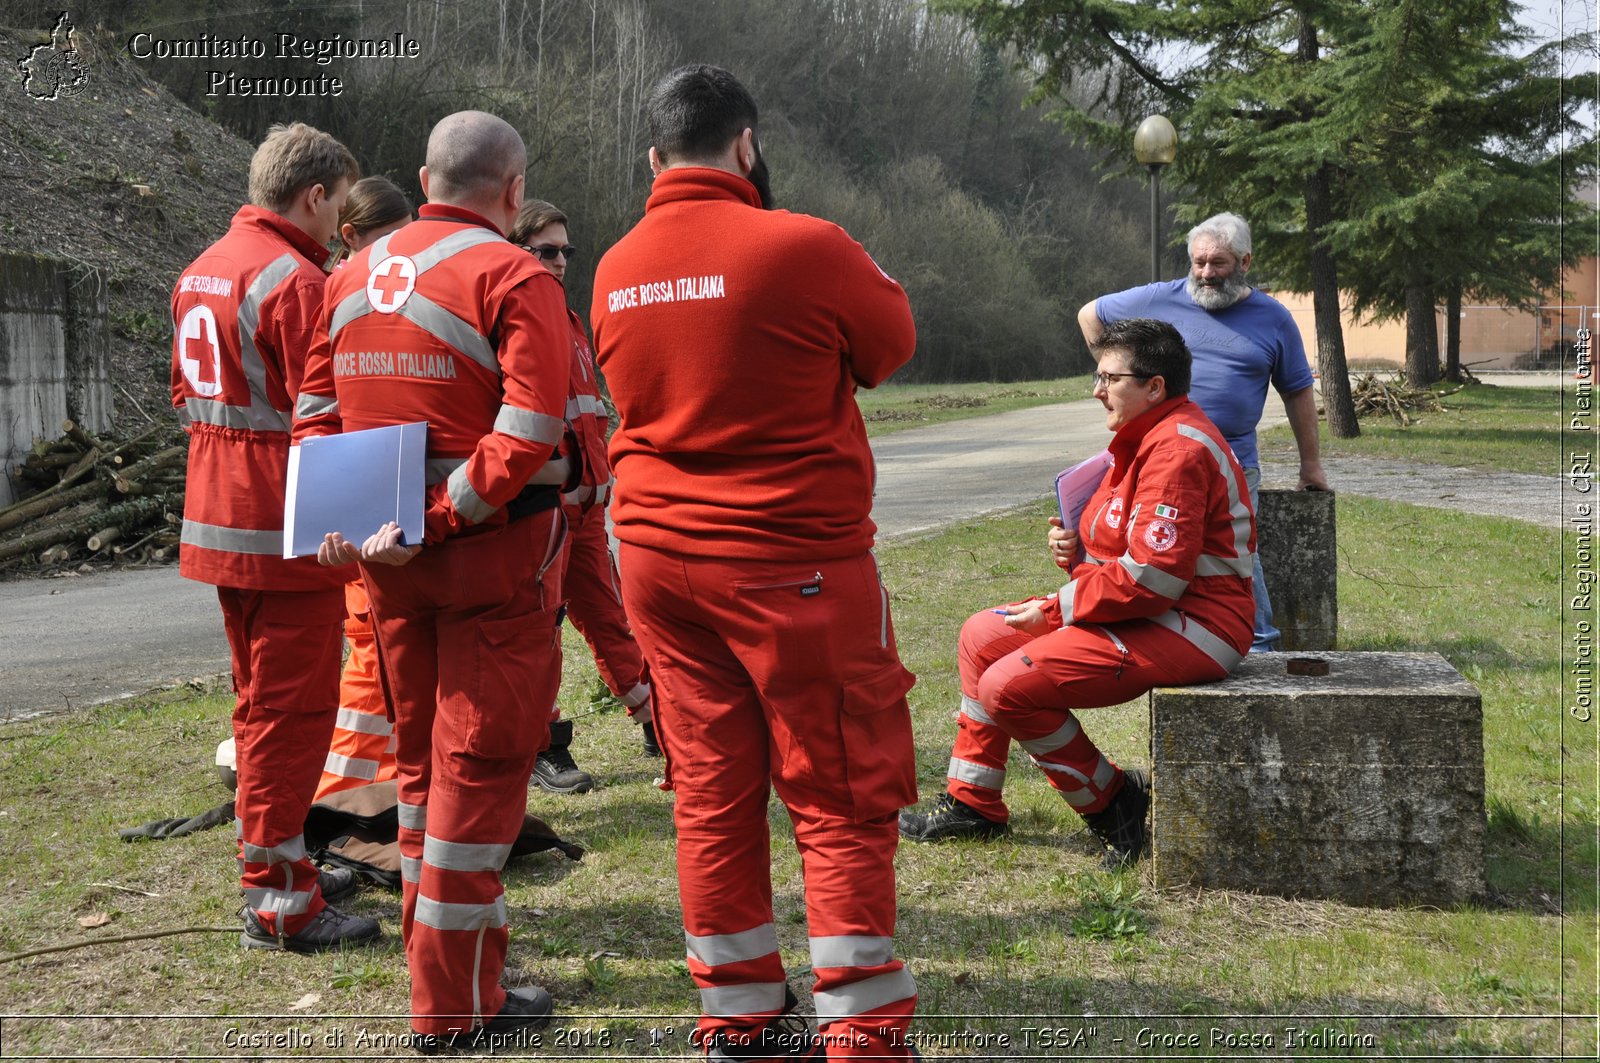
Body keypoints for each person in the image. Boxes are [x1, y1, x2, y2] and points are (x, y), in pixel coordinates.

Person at [590, 65, 921, 1061]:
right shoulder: (807, 245)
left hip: (654, 558)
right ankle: (860, 1028)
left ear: (653, 158)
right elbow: (891, 345)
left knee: (709, 786)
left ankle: (738, 1010)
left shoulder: (609, 266)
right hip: (789, 562)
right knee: (840, 790)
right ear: (748, 146)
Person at [294, 111, 571, 1055]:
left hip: (387, 568)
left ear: (423, 175)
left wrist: (345, 528)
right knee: (481, 776)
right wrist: (442, 517)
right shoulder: (516, 275)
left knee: (420, 773)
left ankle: (459, 971)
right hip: (492, 565)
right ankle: (454, 1010)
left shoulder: (344, 278)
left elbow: (315, 415)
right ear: (515, 189)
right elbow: (534, 432)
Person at [899, 319, 1256, 865]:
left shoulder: (1176, 450)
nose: (1096, 390)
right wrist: (1075, 551)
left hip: (1200, 625)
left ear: (1154, 386)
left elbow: (1153, 577)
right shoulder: (1140, 439)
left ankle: (1116, 803)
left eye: (1110, 379)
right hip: (1153, 608)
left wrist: (1055, 609)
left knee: (1009, 686)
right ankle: (974, 802)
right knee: (980, 635)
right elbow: (1119, 544)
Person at [170, 121, 379, 953]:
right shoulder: (293, 281)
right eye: (337, 211)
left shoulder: (201, 269)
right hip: (281, 525)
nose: (339, 230)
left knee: (260, 707)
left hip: (217, 517)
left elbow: (186, 399)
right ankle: (280, 898)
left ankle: (274, 860)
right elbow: (329, 413)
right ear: (314, 195)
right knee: (293, 716)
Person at [1077, 212, 1328, 652]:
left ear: (1245, 261)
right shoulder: (1158, 299)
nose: (1206, 274)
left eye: (1218, 264)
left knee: (1232, 555)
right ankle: (1137, 632)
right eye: (1198, 263)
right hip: (1156, 453)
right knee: (1152, 545)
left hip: (1232, 459)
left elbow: (1297, 391)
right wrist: (1115, 372)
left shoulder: (1274, 318)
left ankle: (1256, 643)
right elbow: (1089, 314)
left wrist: (1311, 464)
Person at [506, 200, 655, 796]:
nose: (561, 261)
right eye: (548, 250)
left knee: (613, 620)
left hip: (588, 507)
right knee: (538, 635)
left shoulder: (569, 320)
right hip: (541, 512)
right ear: (518, 250)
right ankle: (543, 747)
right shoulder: (510, 316)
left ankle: (655, 720)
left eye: (567, 250)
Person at [314, 175, 415, 801]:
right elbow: (319, 411)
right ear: (350, 238)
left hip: (383, 500)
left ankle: (380, 790)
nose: (396, 258)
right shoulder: (341, 294)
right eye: (385, 241)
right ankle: (337, 801)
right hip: (362, 503)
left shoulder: (358, 290)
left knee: (386, 666)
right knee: (369, 661)